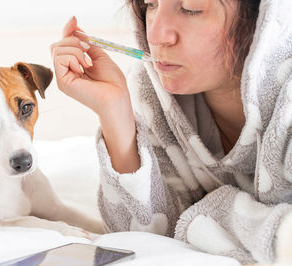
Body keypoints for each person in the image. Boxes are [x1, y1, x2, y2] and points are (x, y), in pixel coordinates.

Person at [50, 0, 292, 264]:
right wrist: (115, 112)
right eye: (150, 5)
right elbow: (144, 237)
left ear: (261, 15)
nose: (155, 34)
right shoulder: (153, 94)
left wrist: (211, 212)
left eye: (190, 9)